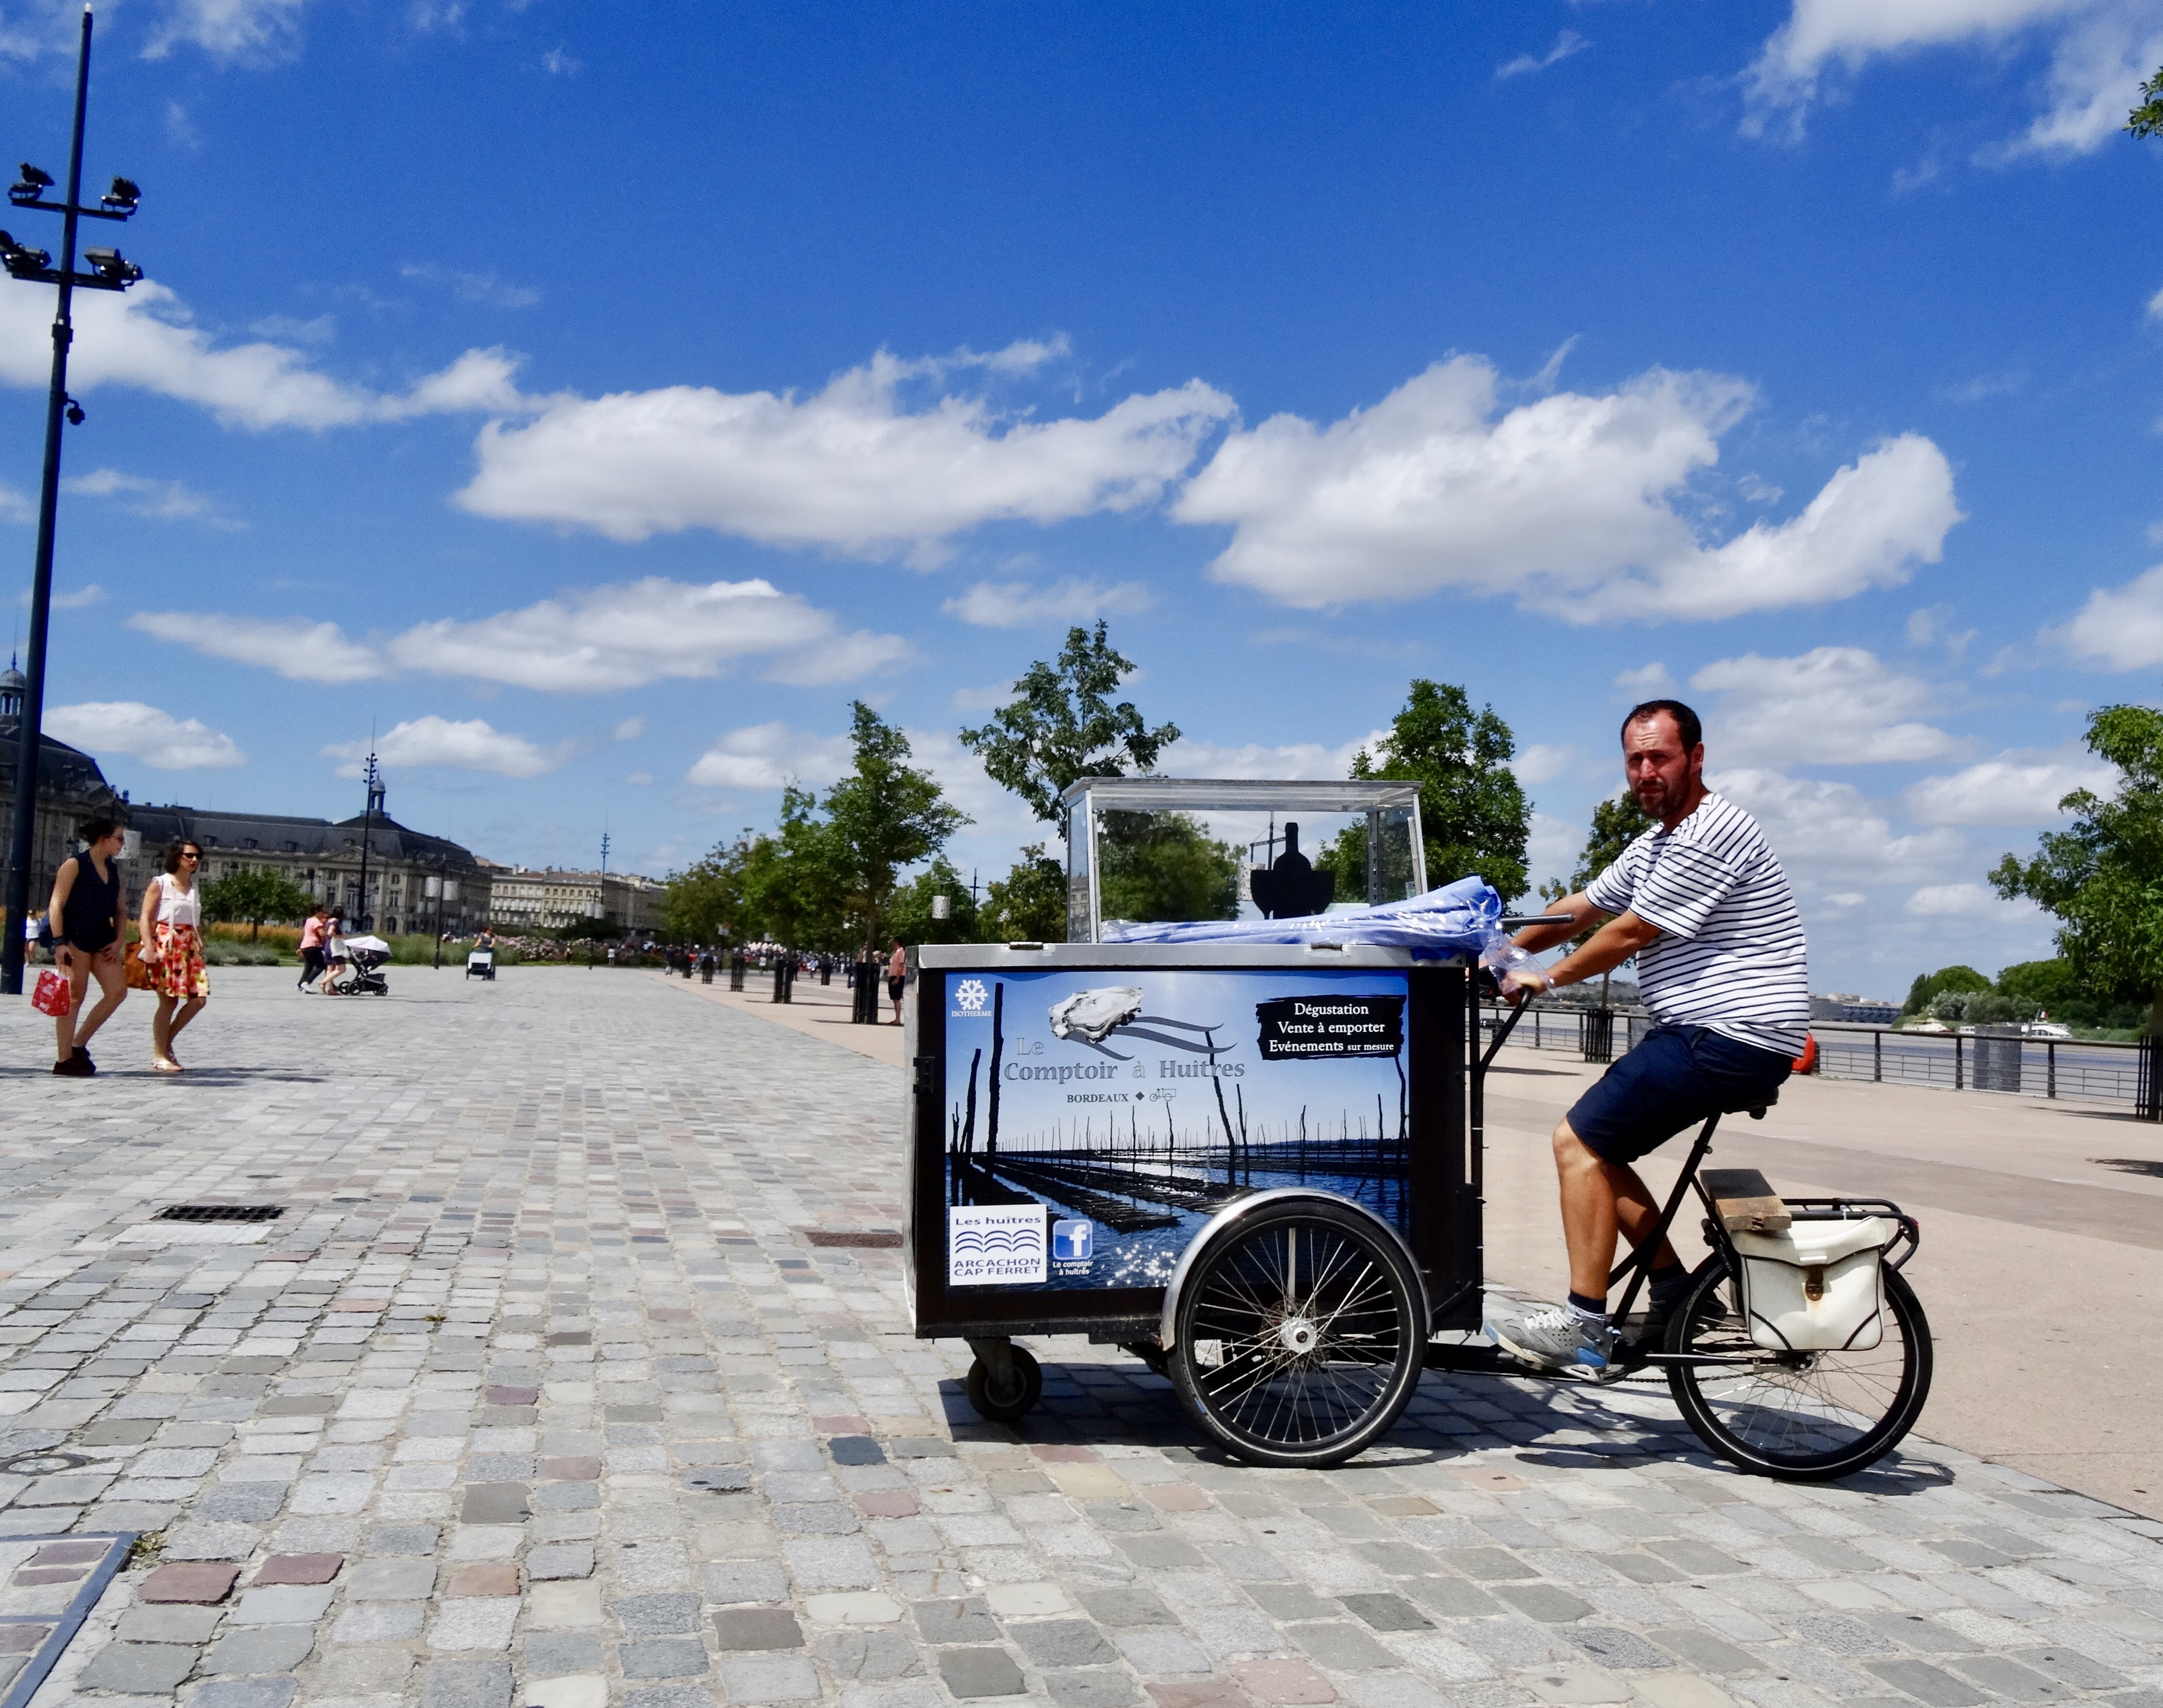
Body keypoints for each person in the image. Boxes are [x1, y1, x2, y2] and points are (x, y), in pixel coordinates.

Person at [1488, 699, 1808, 1374]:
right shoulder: (1659, 842)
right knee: (1600, 1153)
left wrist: (1544, 978)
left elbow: (1630, 931)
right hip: (1709, 1033)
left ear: (1695, 757)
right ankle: (1676, 1293)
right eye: (1634, 760)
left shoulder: (1710, 831)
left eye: (1658, 757)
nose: (1645, 772)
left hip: (1729, 1033)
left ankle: (1583, 1326)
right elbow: (1582, 908)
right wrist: (1496, 952)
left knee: (1576, 1142)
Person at [45, 818, 130, 1077]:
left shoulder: (112, 869)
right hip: (75, 935)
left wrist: (119, 940)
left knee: (117, 992)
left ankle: (78, 1043)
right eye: (119, 838)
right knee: (74, 996)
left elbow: (121, 909)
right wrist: (59, 942)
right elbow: (56, 904)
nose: (123, 843)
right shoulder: (75, 864)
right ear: (104, 839)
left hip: (103, 937)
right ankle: (64, 1059)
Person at [138, 840, 209, 1072]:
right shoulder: (160, 883)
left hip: (189, 946)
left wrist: (200, 941)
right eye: (190, 855)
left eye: (197, 856)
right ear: (177, 857)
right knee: (168, 1001)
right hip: (166, 943)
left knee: (199, 1000)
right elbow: (145, 917)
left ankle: (165, 1042)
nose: (195, 860)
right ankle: (160, 1054)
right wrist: (149, 947)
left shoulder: (193, 887)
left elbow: (194, 919)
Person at [297, 904, 330, 993]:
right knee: (321, 965)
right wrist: (329, 936)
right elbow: (322, 934)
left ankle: (300, 985)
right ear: (317, 912)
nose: (322, 914)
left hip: (305, 946)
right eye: (321, 912)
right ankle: (307, 983)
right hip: (313, 945)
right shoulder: (316, 921)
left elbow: (305, 933)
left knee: (309, 967)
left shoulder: (309, 920)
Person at [887, 937, 907, 1024]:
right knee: (894, 998)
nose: (892, 944)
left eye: (893, 942)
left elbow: (901, 965)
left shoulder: (901, 952)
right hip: (893, 976)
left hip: (898, 976)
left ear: (897, 943)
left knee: (897, 998)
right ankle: (896, 1018)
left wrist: (898, 978)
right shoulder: (895, 952)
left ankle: (898, 1019)